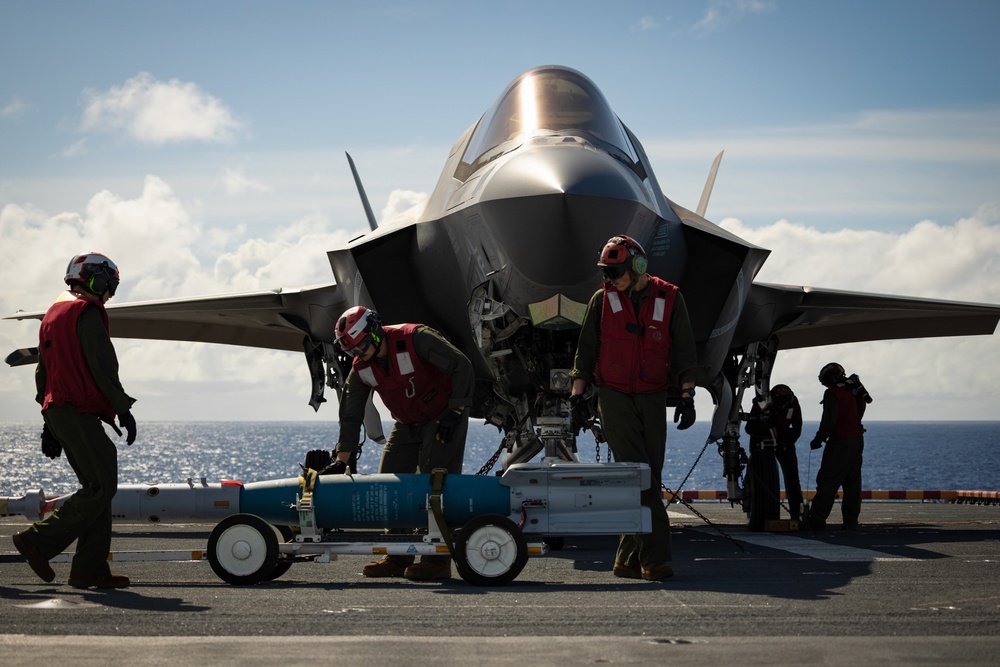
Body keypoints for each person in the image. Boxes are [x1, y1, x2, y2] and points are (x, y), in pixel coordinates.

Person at [570, 235, 701, 581]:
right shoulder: (602, 300)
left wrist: (687, 396)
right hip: (613, 396)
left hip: (652, 395)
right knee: (639, 474)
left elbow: (685, 351)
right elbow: (585, 351)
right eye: (607, 274)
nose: (610, 280)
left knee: (648, 477)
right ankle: (655, 560)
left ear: (637, 266)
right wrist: (576, 395)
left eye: (615, 273)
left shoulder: (669, 298)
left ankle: (626, 560)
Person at [12, 253, 137, 589]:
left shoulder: (53, 314)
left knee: (99, 484)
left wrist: (48, 421)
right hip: (74, 409)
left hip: (60, 408)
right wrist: (122, 408)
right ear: (94, 279)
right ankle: (38, 541)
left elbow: (44, 371)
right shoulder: (87, 312)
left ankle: (89, 570)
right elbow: (102, 365)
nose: (109, 294)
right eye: (108, 286)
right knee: (100, 486)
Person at [328, 305, 474, 581]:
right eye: (351, 353)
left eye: (359, 349)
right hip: (407, 424)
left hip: (443, 417)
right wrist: (341, 461)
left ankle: (437, 561)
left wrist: (455, 412)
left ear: (372, 335)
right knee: (388, 484)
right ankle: (397, 556)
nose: (356, 356)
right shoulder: (362, 369)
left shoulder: (416, 338)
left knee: (436, 482)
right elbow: (350, 414)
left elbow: (461, 366)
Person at [804, 362, 873, 531]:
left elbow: (829, 421)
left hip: (840, 443)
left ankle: (817, 520)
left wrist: (818, 439)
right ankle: (851, 521)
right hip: (857, 441)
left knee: (828, 480)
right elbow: (860, 411)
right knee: (852, 482)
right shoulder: (854, 389)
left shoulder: (832, 393)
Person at [744, 384, 804, 521]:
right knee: (757, 478)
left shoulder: (793, 403)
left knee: (792, 479)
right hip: (761, 442)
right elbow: (749, 428)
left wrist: (786, 443)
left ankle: (796, 514)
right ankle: (756, 509)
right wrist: (764, 427)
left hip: (784, 442)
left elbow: (797, 427)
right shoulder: (762, 403)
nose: (782, 407)